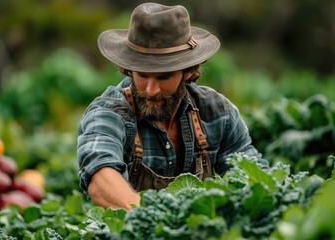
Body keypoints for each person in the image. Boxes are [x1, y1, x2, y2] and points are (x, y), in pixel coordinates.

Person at [77, 2, 268, 210]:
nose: (150, 90)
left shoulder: (218, 113)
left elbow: (252, 176)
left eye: (163, 77)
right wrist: (153, 220)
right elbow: (100, 177)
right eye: (142, 75)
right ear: (129, 69)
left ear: (188, 71)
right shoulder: (109, 112)